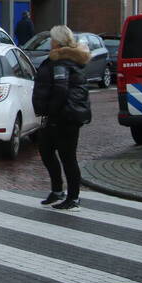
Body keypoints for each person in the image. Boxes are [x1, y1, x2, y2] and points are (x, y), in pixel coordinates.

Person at [32, 24, 92, 212]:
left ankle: (73, 198)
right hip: (61, 115)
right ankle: (57, 190)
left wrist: (50, 111)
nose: (50, 42)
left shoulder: (62, 62)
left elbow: (60, 89)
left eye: (52, 38)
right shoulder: (65, 60)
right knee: (46, 151)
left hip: (64, 117)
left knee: (68, 157)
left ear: (57, 41)